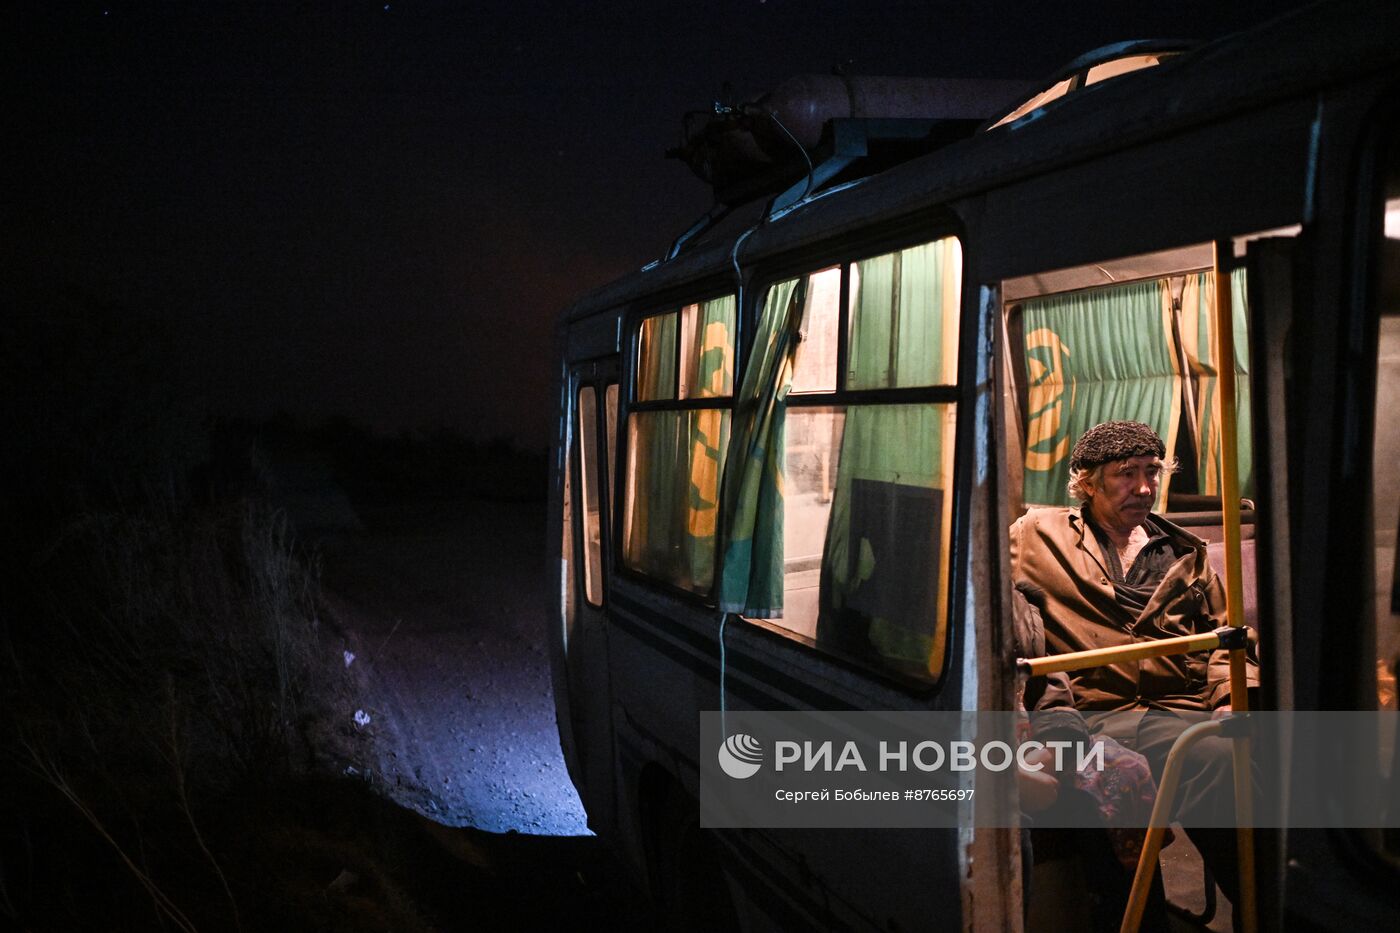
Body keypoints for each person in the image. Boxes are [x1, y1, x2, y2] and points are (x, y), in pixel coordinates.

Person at [1009, 420, 1260, 919]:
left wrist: (1232, 695)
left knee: (1229, 759)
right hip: (1093, 709)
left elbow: (1227, 640)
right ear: (1088, 482)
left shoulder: (1187, 552)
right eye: (1126, 474)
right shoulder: (1037, 537)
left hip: (1179, 705)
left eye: (1151, 472)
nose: (1144, 488)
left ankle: (1266, 907)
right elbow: (994, 604)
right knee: (1148, 772)